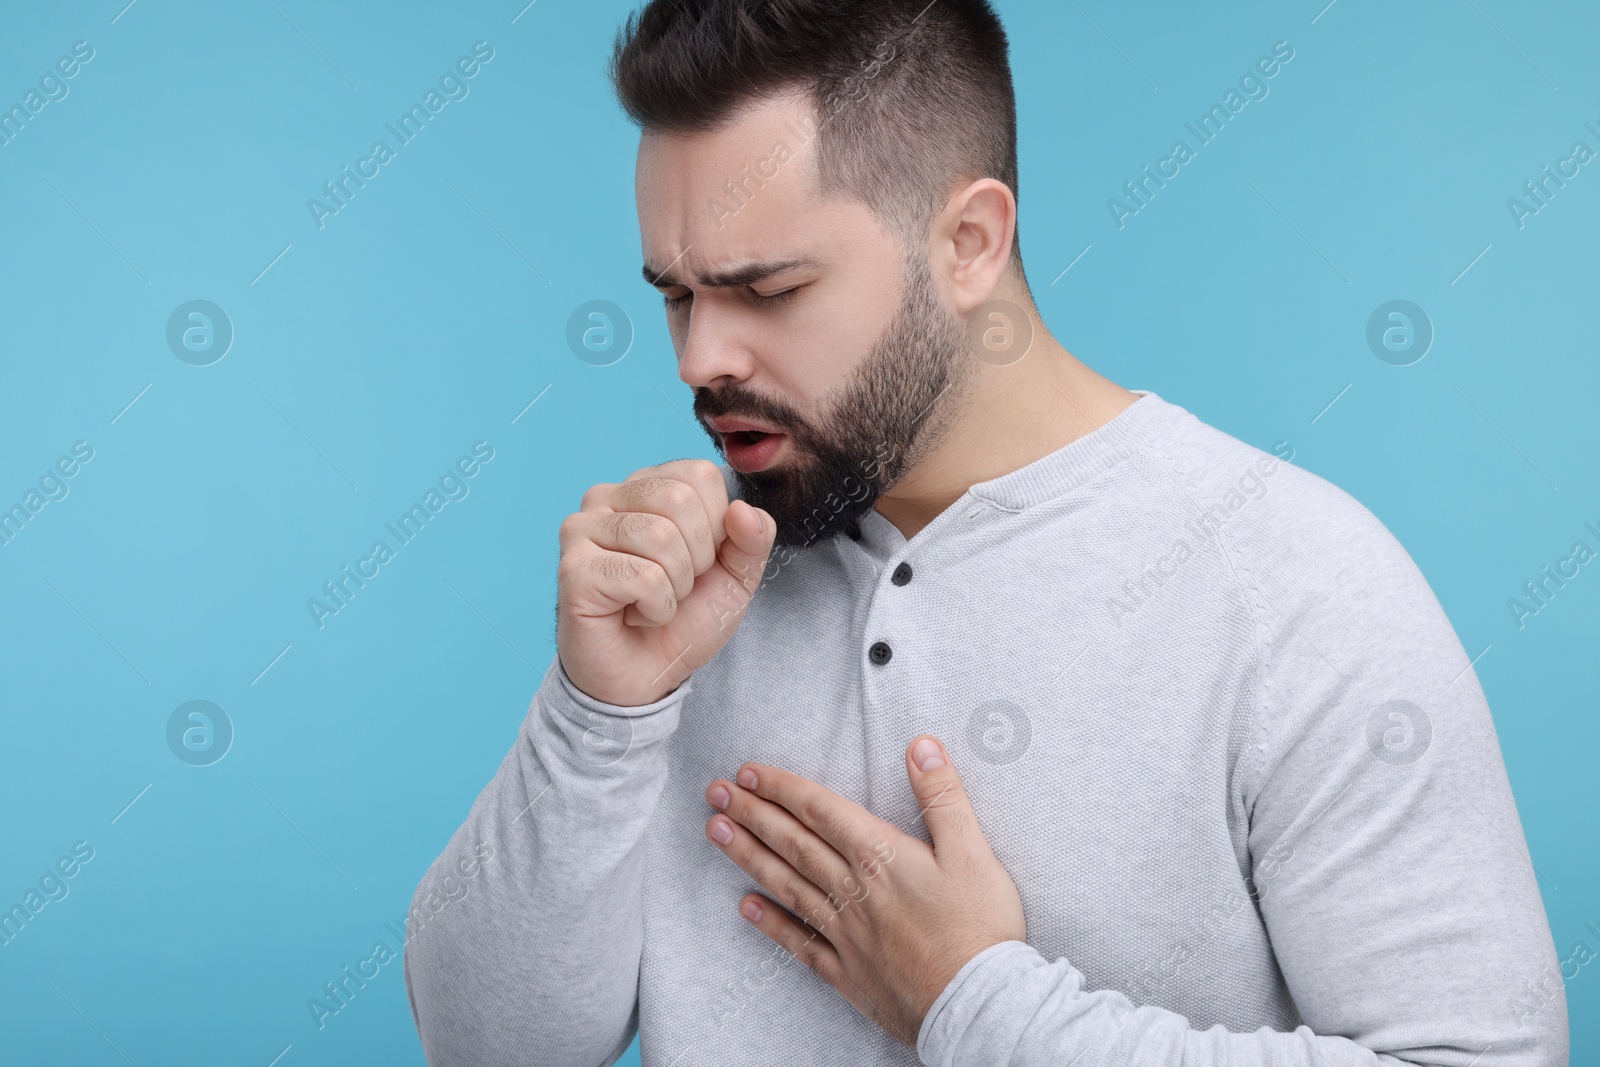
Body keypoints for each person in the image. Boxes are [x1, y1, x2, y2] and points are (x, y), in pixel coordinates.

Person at [403, 2, 1569, 1064]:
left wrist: (974, 1000)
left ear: (968, 243)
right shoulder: (690, 593)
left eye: (767, 291)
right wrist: (597, 711)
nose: (702, 357)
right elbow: (486, 1046)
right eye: (676, 294)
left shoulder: (1297, 585)